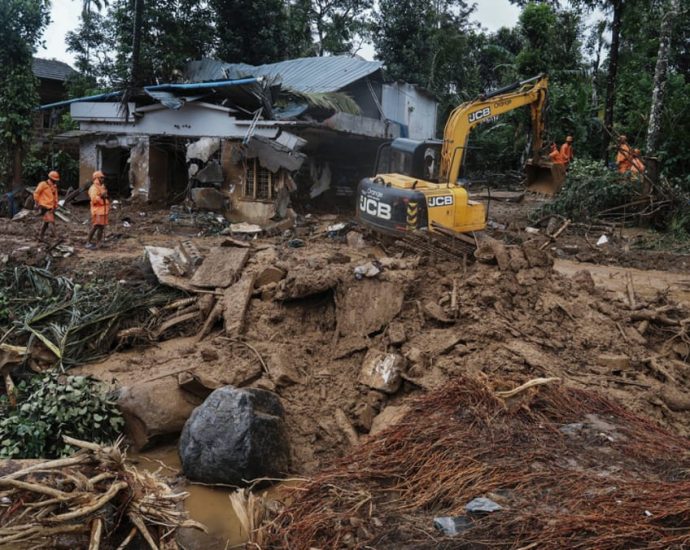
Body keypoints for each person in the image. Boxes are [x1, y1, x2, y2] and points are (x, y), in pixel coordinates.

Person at [33, 171, 60, 241]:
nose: (55, 181)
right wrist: (36, 203)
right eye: (54, 180)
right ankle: (56, 237)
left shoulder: (54, 187)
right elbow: (36, 193)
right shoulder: (43, 184)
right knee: (51, 221)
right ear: (51, 178)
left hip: (50, 207)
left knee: (46, 222)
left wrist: (55, 206)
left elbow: (55, 197)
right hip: (43, 206)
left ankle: (40, 237)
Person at [86, 170, 110, 249]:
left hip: (102, 210)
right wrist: (101, 196)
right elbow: (94, 199)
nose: (103, 179)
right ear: (96, 178)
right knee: (96, 226)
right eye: (101, 178)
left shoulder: (101, 187)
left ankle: (98, 242)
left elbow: (104, 196)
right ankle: (88, 242)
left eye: (103, 178)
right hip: (97, 211)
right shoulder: (93, 188)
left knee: (101, 227)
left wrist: (105, 195)